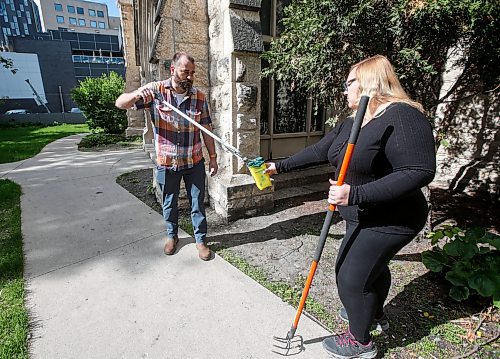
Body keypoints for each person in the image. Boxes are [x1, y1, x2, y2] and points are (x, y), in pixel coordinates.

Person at [265, 55, 436, 358]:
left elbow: (418, 171)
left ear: (368, 82)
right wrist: (280, 166)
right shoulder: (353, 122)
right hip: (362, 216)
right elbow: (321, 150)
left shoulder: (403, 117)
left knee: (350, 277)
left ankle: (361, 342)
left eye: (348, 84)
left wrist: (354, 194)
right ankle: (373, 314)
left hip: (393, 217)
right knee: (371, 269)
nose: (344, 91)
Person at [115, 52, 218, 261]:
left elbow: (206, 128)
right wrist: (137, 94)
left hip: (194, 161)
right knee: (169, 202)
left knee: (197, 202)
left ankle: (200, 240)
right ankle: (172, 236)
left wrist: (213, 156)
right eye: (185, 72)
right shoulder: (156, 91)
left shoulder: (199, 96)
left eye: (192, 73)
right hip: (167, 163)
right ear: (173, 70)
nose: (189, 77)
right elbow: (120, 103)